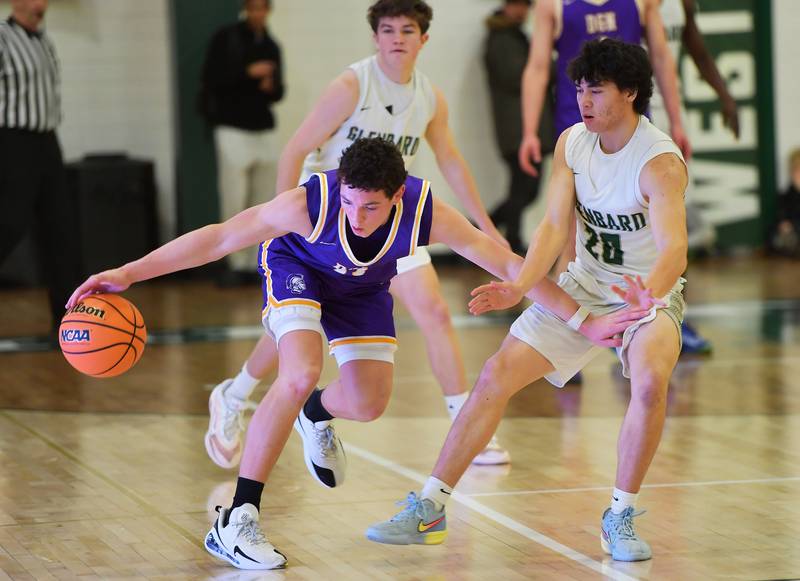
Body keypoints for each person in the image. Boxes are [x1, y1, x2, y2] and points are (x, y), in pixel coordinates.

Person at [66, 137, 650, 570]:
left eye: (370, 207)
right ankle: (237, 517)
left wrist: (583, 319)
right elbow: (220, 237)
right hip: (296, 271)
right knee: (297, 371)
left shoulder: (425, 210)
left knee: (368, 404)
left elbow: (505, 263)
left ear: (397, 197)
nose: (356, 214)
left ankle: (317, 414)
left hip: (362, 287)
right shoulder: (309, 204)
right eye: (350, 203)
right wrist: (130, 271)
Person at [367, 39, 688, 564]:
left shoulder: (659, 163)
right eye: (579, 89)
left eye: (597, 90)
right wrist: (520, 285)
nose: (583, 100)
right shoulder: (572, 143)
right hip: (587, 281)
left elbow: (675, 247)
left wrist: (647, 294)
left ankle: (620, 513)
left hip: (646, 288)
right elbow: (553, 225)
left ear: (630, 93)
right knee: (495, 374)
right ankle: (430, 506)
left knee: (651, 381)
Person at [204, 0, 513, 472]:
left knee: (433, 310)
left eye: (406, 30)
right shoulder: (352, 85)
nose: (396, 38)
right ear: (375, 37)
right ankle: (236, 392)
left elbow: (450, 159)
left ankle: (464, 425)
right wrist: (281, 225)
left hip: (384, 222)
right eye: (386, 29)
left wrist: (485, 227)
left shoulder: (430, 97)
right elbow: (297, 148)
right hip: (326, 222)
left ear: (423, 38)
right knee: (296, 327)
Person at [653, 0, 742, 355]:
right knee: (640, 228)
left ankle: (674, 319)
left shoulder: (681, 3)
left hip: (670, 116)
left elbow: (697, 48)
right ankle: (637, 320)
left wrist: (725, 94)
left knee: (673, 227)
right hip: (634, 116)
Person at [0, 0, 81, 334]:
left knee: (61, 228)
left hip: (47, 140)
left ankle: (70, 318)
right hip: (11, 141)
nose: (40, 4)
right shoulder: (3, 37)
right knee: (9, 224)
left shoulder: (45, 39)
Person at [199, 0, 284, 286]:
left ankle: (256, 262)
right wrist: (248, 74)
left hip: (262, 126)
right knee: (235, 196)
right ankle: (235, 262)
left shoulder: (271, 44)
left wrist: (271, 86)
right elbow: (211, 79)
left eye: (262, 8)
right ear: (245, 9)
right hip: (232, 125)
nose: (257, 13)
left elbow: (278, 91)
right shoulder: (226, 39)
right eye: (253, 7)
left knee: (263, 198)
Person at [483, 0, 553, 254]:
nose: (522, 11)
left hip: (521, 127)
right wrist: (549, 67)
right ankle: (497, 236)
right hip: (518, 129)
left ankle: (487, 232)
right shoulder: (502, 38)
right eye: (517, 4)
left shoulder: (513, 36)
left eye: (526, 5)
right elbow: (518, 75)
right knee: (523, 190)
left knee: (524, 190)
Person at [771, 148, 800, 256]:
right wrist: (784, 224)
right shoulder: (785, 196)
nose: (798, 174)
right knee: (777, 236)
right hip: (793, 231)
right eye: (796, 170)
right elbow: (782, 215)